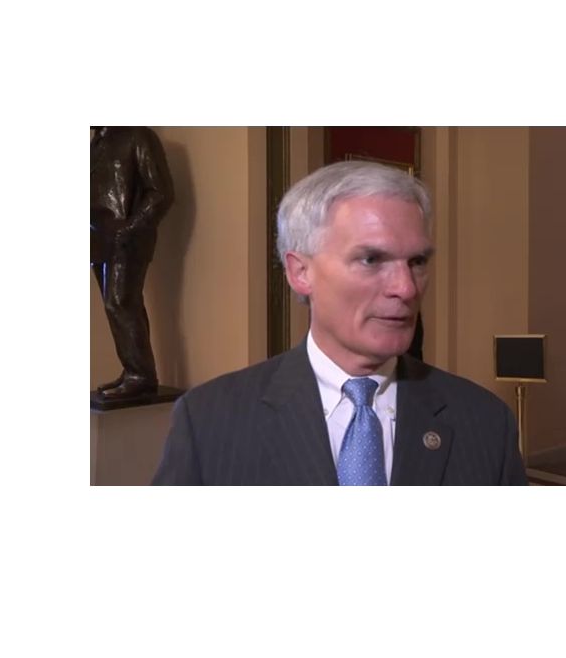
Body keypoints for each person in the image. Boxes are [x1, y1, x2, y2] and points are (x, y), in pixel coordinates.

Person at [152, 161, 527, 485]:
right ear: (300, 272)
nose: (406, 288)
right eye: (371, 260)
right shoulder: (209, 421)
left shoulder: (485, 423)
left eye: (417, 262)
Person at [91, 126, 175, 399]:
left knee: (120, 303)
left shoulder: (138, 136)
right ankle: (134, 371)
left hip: (127, 239)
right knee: (119, 306)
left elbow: (161, 193)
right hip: (99, 239)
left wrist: (131, 228)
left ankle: (140, 375)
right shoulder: (97, 142)